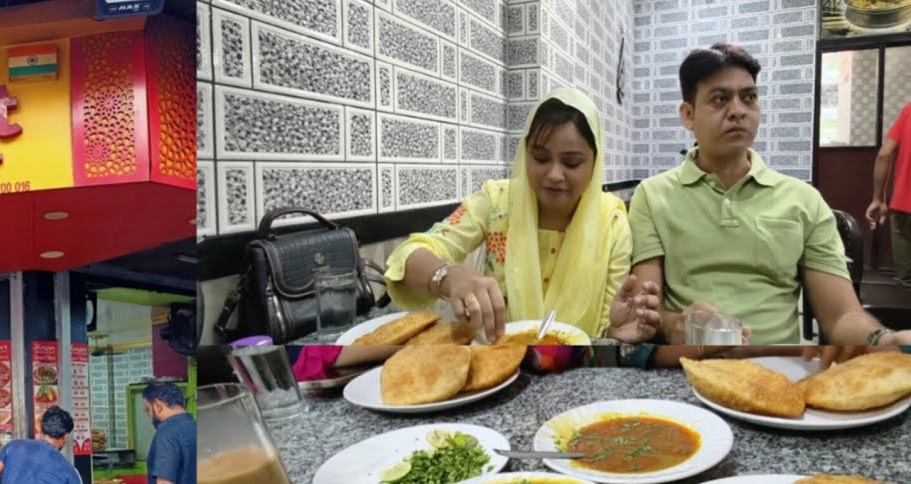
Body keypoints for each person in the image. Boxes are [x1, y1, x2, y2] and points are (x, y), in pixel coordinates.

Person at [630, 43, 911, 346]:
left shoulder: (803, 200)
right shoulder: (653, 195)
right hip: (687, 367)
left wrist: (884, 341)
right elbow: (647, 311)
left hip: (779, 370)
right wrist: (676, 325)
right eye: (720, 99)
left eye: (749, 98)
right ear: (688, 115)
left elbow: (841, 315)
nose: (738, 111)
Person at [383, 87, 660, 343]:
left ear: (594, 164)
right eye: (540, 158)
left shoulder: (611, 221)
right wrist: (450, 277)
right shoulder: (497, 202)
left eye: (571, 162)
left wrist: (614, 332)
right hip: (496, 367)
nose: (554, 174)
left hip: (576, 373)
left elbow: (603, 334)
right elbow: (408, 255)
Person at [868, 99, 911, 288]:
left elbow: (885, 153)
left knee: (907, 281)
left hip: (904, 209)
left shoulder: (909, 110)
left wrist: (878, 198)